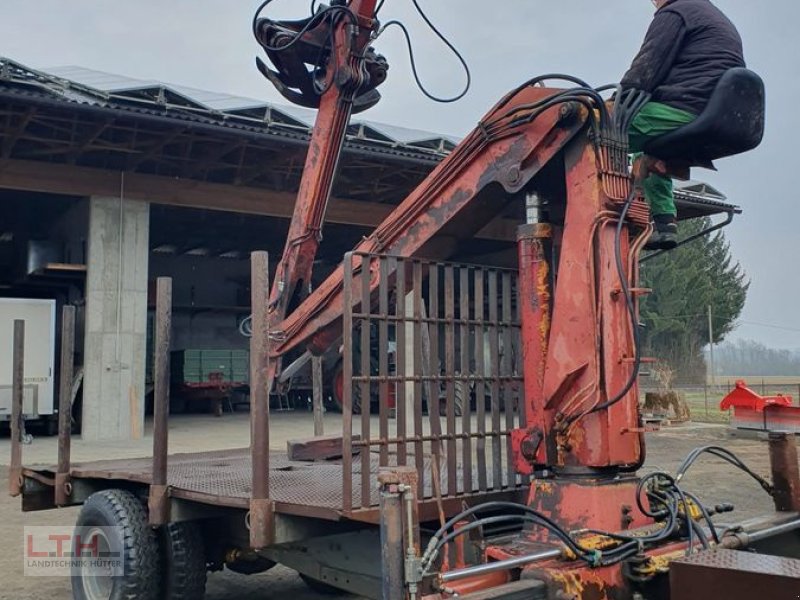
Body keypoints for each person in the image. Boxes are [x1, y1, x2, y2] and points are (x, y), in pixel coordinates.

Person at [622, 0, 745, 250]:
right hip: (714, 111)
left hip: (686, 106)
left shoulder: (677, 11)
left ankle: (599, 209)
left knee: (596, 127)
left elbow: (647, 66)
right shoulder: (710, 15)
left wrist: (616, 104)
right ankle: (665, 224)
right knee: (647, 152)